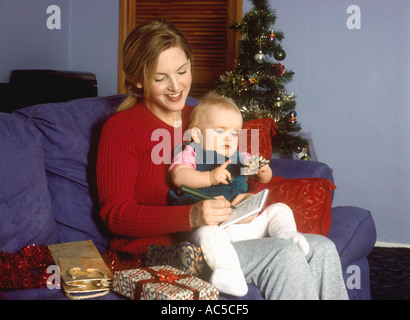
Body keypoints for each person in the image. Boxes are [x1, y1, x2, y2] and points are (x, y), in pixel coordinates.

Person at [96, 18, 348, 299]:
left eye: (182, 71)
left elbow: (239, 168)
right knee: (283, 254)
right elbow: (114, 215)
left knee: (323, 249)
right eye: (160, 78)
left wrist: (246, 199)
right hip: (162, 251)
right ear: (138, 82)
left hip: (223, 234)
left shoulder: (202, 115)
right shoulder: (122, 127)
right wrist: (189, 215)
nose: (176, 86)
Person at [168, 92, 310, 296]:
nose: (229, 138)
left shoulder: (239, 156)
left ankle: (287, 236)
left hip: (243, 223)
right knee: (208, 234)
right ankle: (230, 274)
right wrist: (209, 177)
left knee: (280, 209)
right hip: (215, 228)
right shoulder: (191, 151)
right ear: (198, 135)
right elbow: (179, 176)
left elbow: (266, 177)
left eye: (234, 133)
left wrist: (263, 171)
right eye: (220, 131)